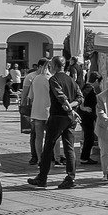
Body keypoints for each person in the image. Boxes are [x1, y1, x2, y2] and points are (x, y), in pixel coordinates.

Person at [28, 56, 82, 189]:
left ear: (54, 66)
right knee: (69, 147)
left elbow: (60, 96)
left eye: (51, 65)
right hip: (69, 118)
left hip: (58, 116)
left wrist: (67, 105)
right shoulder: (71, 80)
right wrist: (72, 107)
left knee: (48, 147)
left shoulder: (54, 79)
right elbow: (80, 97)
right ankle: (71, 177)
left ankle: (42, 178)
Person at [22, 58, 51, 166]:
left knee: (38, 136)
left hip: (36, 111)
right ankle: (47, 157)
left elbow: (30, 96)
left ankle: (39, 158)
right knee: (49, 137)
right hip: (48, 111)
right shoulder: (51, 79)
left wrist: (23, 104)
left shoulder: (35, 79)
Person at [78, 72, 101, 165]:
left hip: (87, 116)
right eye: (99, 82)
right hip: (86, 116)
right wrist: (83, 107)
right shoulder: (89, 88)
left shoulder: (87, 87)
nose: (99, 84)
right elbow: (81, 98)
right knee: (89, 137)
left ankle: (85, 157)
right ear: (96, 80)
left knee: (89, 136)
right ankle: (84, 158)